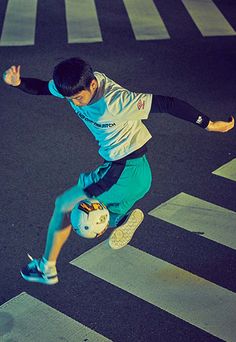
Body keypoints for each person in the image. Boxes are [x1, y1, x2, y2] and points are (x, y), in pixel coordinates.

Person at [2, 58, 234, 285]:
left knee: (66, 206)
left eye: (78, 98)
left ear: (93, 85)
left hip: (122, 172)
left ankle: (50, 266)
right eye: (70, 99)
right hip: (132, 171)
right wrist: (18, 82)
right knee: (72, 208)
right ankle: (115, 220)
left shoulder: (117, 101)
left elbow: (169, 104)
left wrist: (210, 124)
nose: (75, 103)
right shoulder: (73, 85)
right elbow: (43, 88)